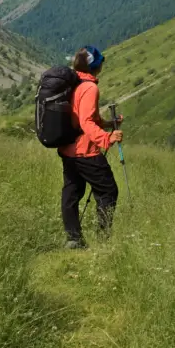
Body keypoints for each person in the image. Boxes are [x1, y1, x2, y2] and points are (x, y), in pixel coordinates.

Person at [58, 45, 122, 249]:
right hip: (86, 151)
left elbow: (83, 117)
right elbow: (86, 122)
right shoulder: (90, 88)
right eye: (101, 61)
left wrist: (108, 124)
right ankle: (103, 239)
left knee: (72, 191)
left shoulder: (73, 84)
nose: (103, 63)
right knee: (107, 191)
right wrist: (107, 138)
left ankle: (74, 238)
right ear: (95, 65)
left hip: (68, 149)